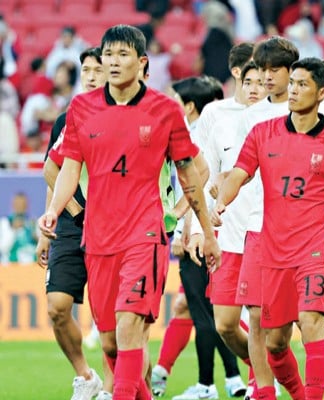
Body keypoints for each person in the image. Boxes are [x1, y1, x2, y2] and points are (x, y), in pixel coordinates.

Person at [38, 25, 221, 400]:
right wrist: (55, 211)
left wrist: (204, 229)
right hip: (98, 237)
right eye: (109, 55)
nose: (114, 62)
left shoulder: (165, 110)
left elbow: (191, 172)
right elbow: (69, 166)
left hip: (145, 235)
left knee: (128, 325)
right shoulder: (81, 108)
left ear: (142, 63)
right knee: (110, 344)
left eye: (123, 55)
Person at [215, 57, 324, 400]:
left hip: (315, 248)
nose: (293, 90)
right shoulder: (262, 132)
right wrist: (220, 204)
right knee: (275, 342)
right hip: (273, 249)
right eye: (293, 83)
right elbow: (240, 175)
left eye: (302, 84)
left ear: (322, 93)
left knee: (311, 322)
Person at [148, 76, 244, 400]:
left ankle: (207, 385)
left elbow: (197, 185)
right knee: (200, 309)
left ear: (188, 106)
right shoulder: (221, 131)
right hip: (221, 229)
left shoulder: (190, 137)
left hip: (201, 233)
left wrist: (179, 228)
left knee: (206, 313)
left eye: (175, 98)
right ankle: (233, 378)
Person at [184, 45, 257, 399]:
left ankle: (265, 385)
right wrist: (195, 228)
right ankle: (261, 372)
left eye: (264, 77)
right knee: (225, 325)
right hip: (226, 235)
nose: (257, 85)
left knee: (267, 325)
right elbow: (198, 173)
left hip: (266, 237)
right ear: (236, 75)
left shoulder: (280, 116)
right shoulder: (216, 115)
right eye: (250, 78)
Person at [34, 47, 105, 400]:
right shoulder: (68, 117)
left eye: (97, 69)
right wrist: (49, 227)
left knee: (113, 319)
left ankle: (121, 385)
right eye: (86, 70)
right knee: (57, 308)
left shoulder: (125, 116)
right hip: (72, 222)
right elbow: (53, 171)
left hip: (111, 224)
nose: (90, 76)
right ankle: (86, 376)